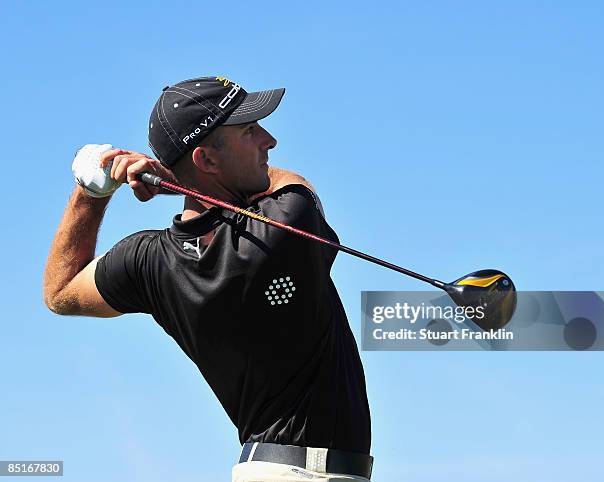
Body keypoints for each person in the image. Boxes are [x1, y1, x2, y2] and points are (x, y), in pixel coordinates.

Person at [44, 76, 373, 482]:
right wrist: (179, 181)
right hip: (310, 473)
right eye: (249, 131)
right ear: (206, 160)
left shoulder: (147, 260)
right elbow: (290, 182)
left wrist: (91, 192)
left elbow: (59, 292)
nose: (269, 141)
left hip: (267, 468)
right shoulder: (286, 224)